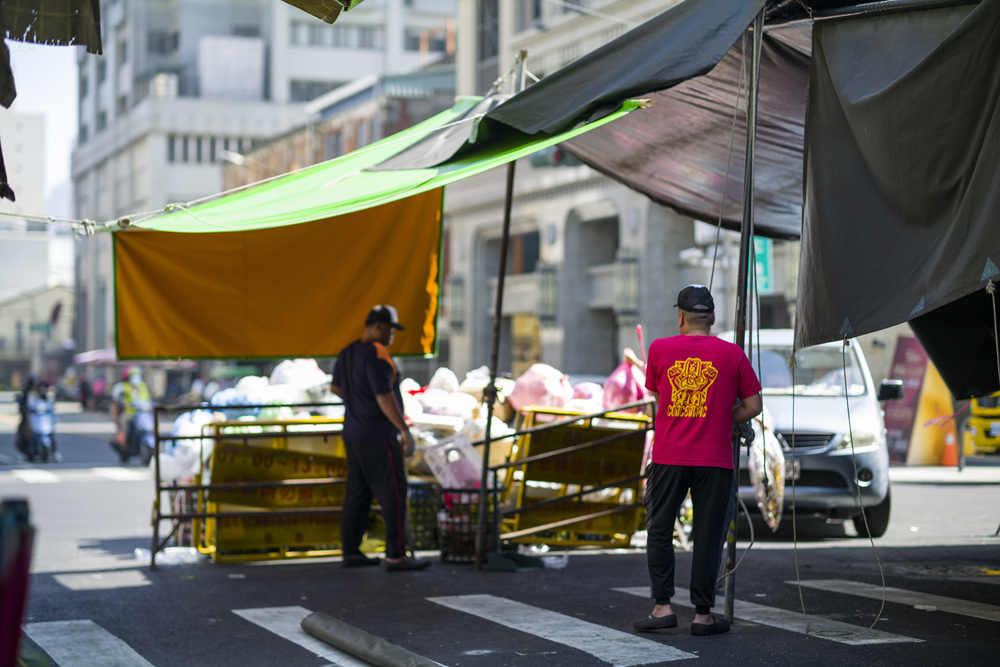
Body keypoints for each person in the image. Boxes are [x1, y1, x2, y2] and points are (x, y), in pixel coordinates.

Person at [633, 284, 762, 636]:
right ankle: (703, 616)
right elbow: (753, 406)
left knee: (659, 531)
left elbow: (659, 393)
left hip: (669, 456)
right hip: (715, 459)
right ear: (713, 318)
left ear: (680, 317)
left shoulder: (660, 349)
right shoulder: (732, 354)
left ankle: (663, 608)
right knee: (708, 535)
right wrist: (721, 418)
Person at [330, 305, 429, 571]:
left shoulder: (347, 352)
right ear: (378, 327)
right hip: (378, 435)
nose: (392, 336)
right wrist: (403, 429)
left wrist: (357, 402)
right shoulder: (378, 354)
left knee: (358, 493)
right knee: (394, 491)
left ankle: (351, 552)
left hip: (352, 432)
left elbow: (336, 387)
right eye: (390, 330)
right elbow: (384, 396)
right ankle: (396, 555)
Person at [110, 366, 152, 462]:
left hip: (141, 414)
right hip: (129, 413)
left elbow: (149, 399)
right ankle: (123, 444)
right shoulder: (123, 387)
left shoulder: (143, 386)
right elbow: (118, 403)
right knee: (124, 423)